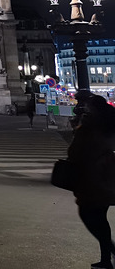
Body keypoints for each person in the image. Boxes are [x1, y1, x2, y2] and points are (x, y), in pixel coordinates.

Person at [67, 94, 115, 269]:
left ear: (92, 108)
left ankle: (110, 255)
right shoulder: (109, 125)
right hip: (107, 177)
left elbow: (74, 152)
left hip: (90, 177)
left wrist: (78, 128)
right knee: (101, 219)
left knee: (88, 216)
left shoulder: (89, 127)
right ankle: (105, 260)